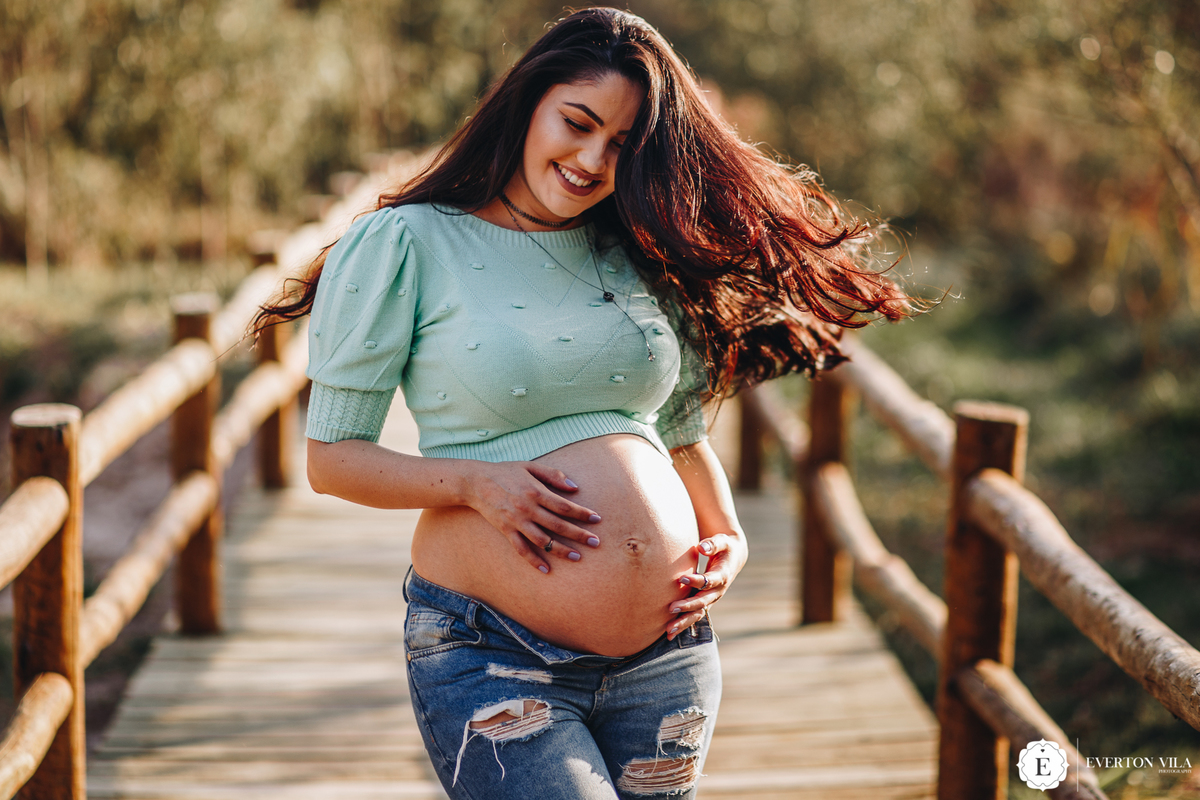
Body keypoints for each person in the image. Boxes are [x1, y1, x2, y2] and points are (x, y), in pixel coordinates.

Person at [254, 7, 910, 798]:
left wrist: (729, 534)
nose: (593, 160)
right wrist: (476, 484)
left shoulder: (632, 250)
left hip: (667, 661)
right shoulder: (407, 241)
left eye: (623, 144)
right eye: (578, 122)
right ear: (527, 100)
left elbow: (675, 435)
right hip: (494, 650)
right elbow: (331, 461)